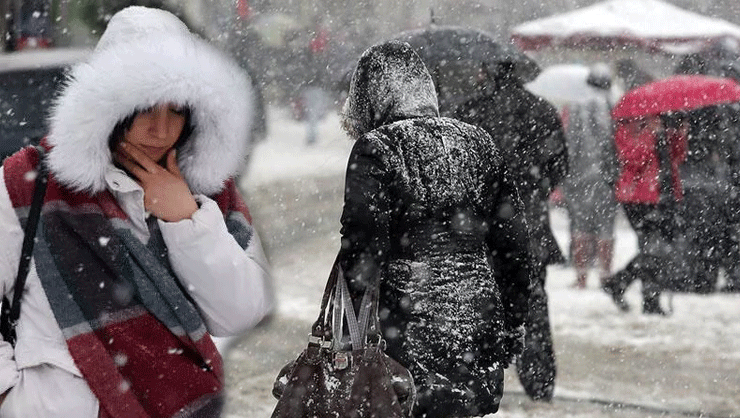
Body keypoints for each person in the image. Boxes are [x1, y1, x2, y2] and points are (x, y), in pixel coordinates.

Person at [0, 6, 273, 417]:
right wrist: (11, 397)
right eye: (146, 107)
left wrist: (186, 219)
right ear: (109, 106)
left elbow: (241, 312)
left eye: (176, 110)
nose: (161, 130)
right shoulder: (29, 183)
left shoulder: (209, 192)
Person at [336, 41, 533, 417]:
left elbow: (362, 250)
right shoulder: (479, 143)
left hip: (406, 325)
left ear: (367, 99)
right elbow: (513, 246)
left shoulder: (377, 148)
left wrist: (351, 338)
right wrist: (514, 320)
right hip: (477, 319)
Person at [453, 61, 568, 402]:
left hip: (481, 226)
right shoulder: (542, 110)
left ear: (484, 73)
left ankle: (478, 381)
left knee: (478, 305)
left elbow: (458, 169)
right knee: (533, 302)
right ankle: (539, 380)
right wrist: (535, 189)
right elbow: (560, 167)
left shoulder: (470, 112)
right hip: (530, 223)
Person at [602, 112, 688, 314]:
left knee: (655, 249)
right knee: (651, 249)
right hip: (638, 197)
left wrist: (678, 134)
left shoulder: (663, 123)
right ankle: (649, 301)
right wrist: (650, 134)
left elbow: (678, 156)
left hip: (664, 194)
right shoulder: (626, 126)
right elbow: (633, 158)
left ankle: (618, 284)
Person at [560, 65, 620, 289]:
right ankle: (605, 275)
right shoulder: (613, 104)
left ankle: (581, 277)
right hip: (607, 177)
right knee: (606, 228)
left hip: (579, 176)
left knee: (580, 228)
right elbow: (616, 143)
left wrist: (568, 172)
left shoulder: (576, 104)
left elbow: (571, 142)